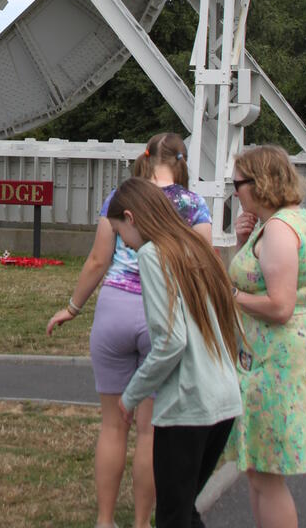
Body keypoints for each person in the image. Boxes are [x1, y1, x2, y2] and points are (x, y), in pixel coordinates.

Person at [46, 134, 211, 528]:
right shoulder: (194, 204)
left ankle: (104, 521)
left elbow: (98, 260)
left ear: (148, 157)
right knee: (150, 431)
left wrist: (72, 307)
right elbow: (204, 265)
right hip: (163, 315)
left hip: (114, 309)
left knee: (112, 423)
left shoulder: (121, 197)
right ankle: (141, 521)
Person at [108, 178, 242, 528]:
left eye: (120, 233)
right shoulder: (193, 248)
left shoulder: (153, 254)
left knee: (172, 516)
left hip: (189, 406)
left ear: (131, 217)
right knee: (185, 510)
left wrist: (130, 396)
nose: (123, 243)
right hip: (224, 400)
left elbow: (170, 342)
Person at [228, 145, 306, 528]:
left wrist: (231, 296)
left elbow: (279, 305)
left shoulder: (279, 230)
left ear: (259, 184)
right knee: (260, 468)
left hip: (276, 357)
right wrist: (243, 243)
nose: (234, 191)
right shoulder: (292, 220)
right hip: (282, 350)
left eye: (237, 183)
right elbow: (258, 274)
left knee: (267, 472)